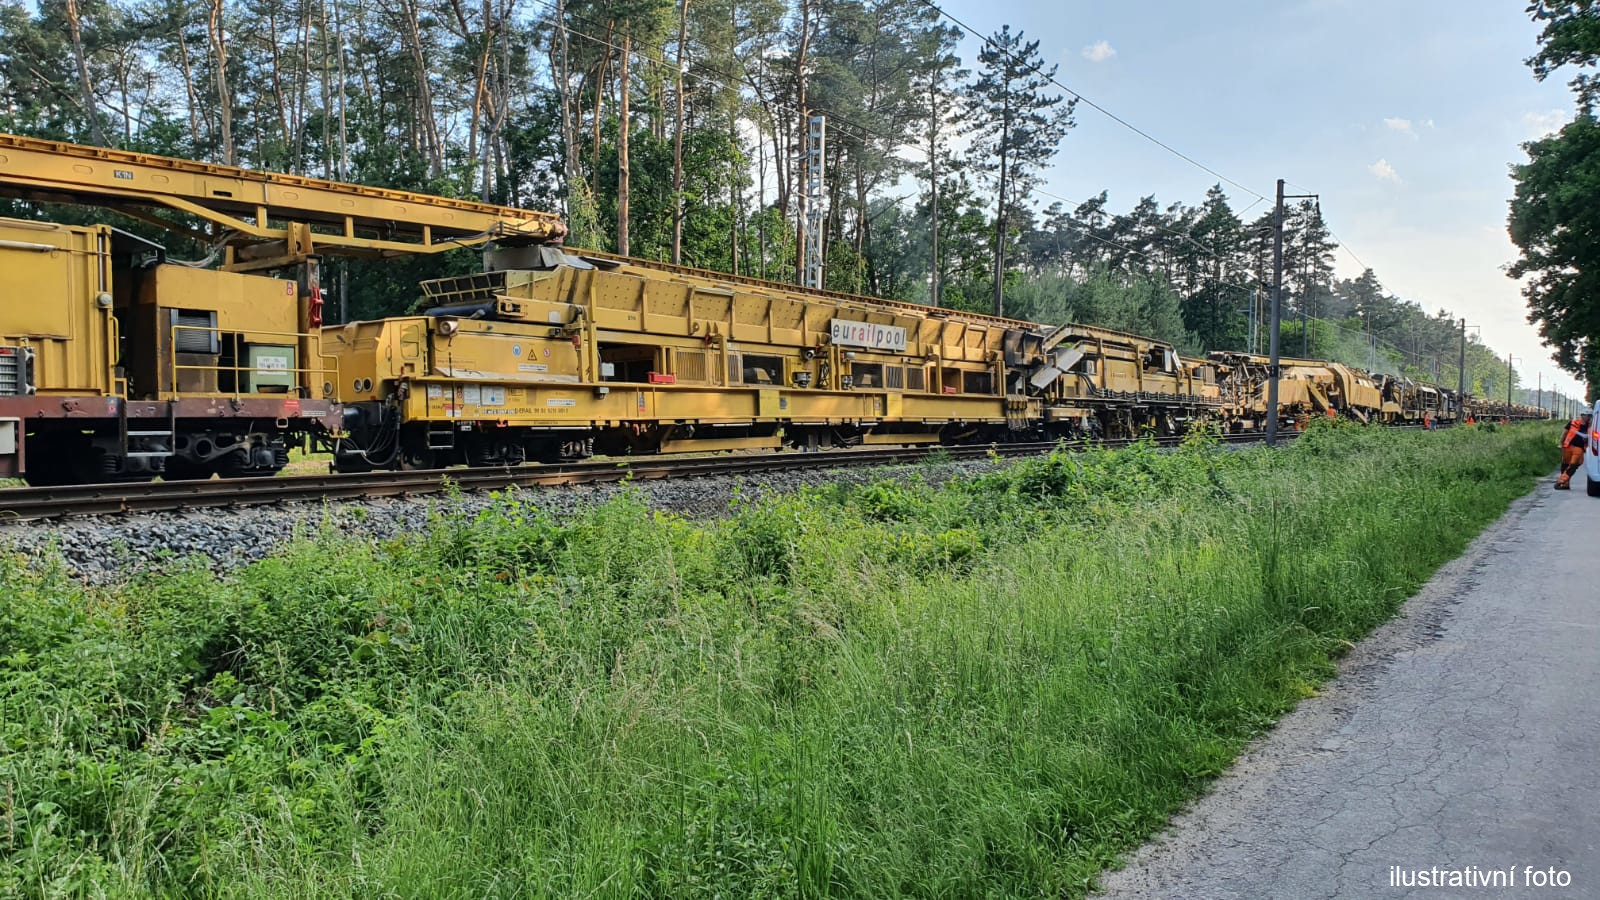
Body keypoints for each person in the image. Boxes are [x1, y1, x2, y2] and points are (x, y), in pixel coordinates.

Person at [1555, 410, 1593, 490]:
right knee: (1565, 465)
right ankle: (1565, 484)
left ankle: (1560, 481)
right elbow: (1565, 433)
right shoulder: (1573, 423)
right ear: (1582, 415)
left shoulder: (1590, 426)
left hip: (1579, 448)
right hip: (1568, 446)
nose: (1589, 417)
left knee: (1573, 464)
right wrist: (1561, 443)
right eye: (1588, 415)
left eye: (1590, 416)